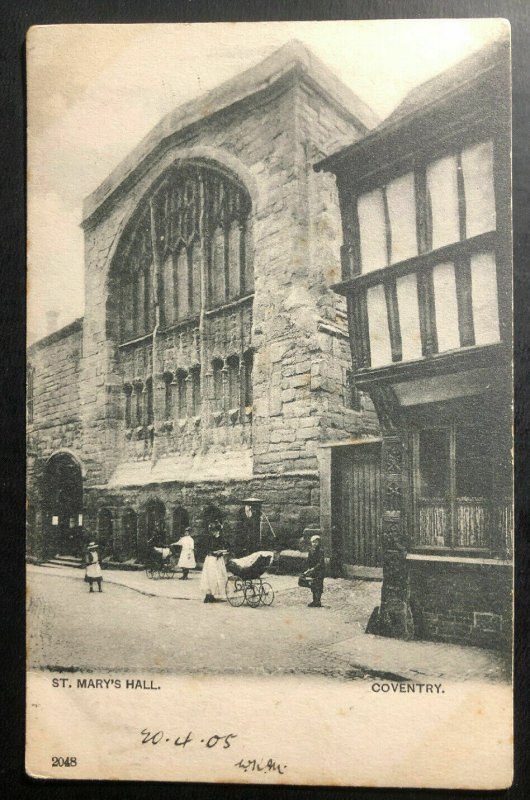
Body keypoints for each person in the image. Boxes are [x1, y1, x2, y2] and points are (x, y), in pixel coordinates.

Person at [200, 521, 229, 603]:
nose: (213, 532)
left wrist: (221, 552)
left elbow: (226, 549)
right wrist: (212, 552)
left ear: (218, 531)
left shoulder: (221, 539)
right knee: (209, 576)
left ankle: (215, 594)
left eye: (214, 530)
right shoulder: (210, 538)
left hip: (218, 560)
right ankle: (209, 594)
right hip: (210, 559)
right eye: (212, 531)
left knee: (218, 577)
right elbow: (207, 548)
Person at [302, 535, 325, 607]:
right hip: (312, 571)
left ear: (319, 542)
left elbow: (320, 562)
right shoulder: (311, 551)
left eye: (316, 542)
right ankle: (314, 600)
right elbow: (308, 560)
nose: (314, 544)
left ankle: (318, 601)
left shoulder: (321, 551)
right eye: (313, 542)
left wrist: (314, 568)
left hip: (319, 571)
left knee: (319, 585)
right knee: (313, 585)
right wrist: (308, 568)